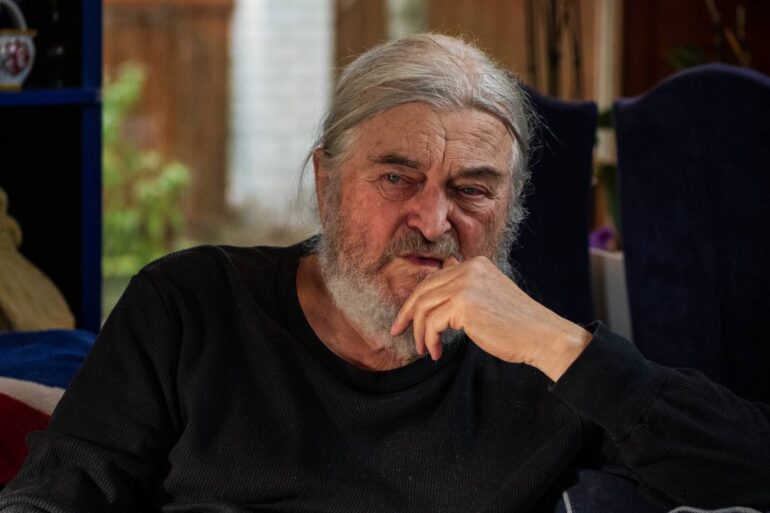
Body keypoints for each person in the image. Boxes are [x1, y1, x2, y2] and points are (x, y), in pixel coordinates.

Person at [1, 33, 769, 513]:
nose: (434, 220)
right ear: (327, 183)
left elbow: (752, 468)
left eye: (473, 189)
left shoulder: (541, 367)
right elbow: (51, 497)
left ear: (510, 209)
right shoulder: (189, 305)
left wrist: (563, 347)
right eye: (397, 177)